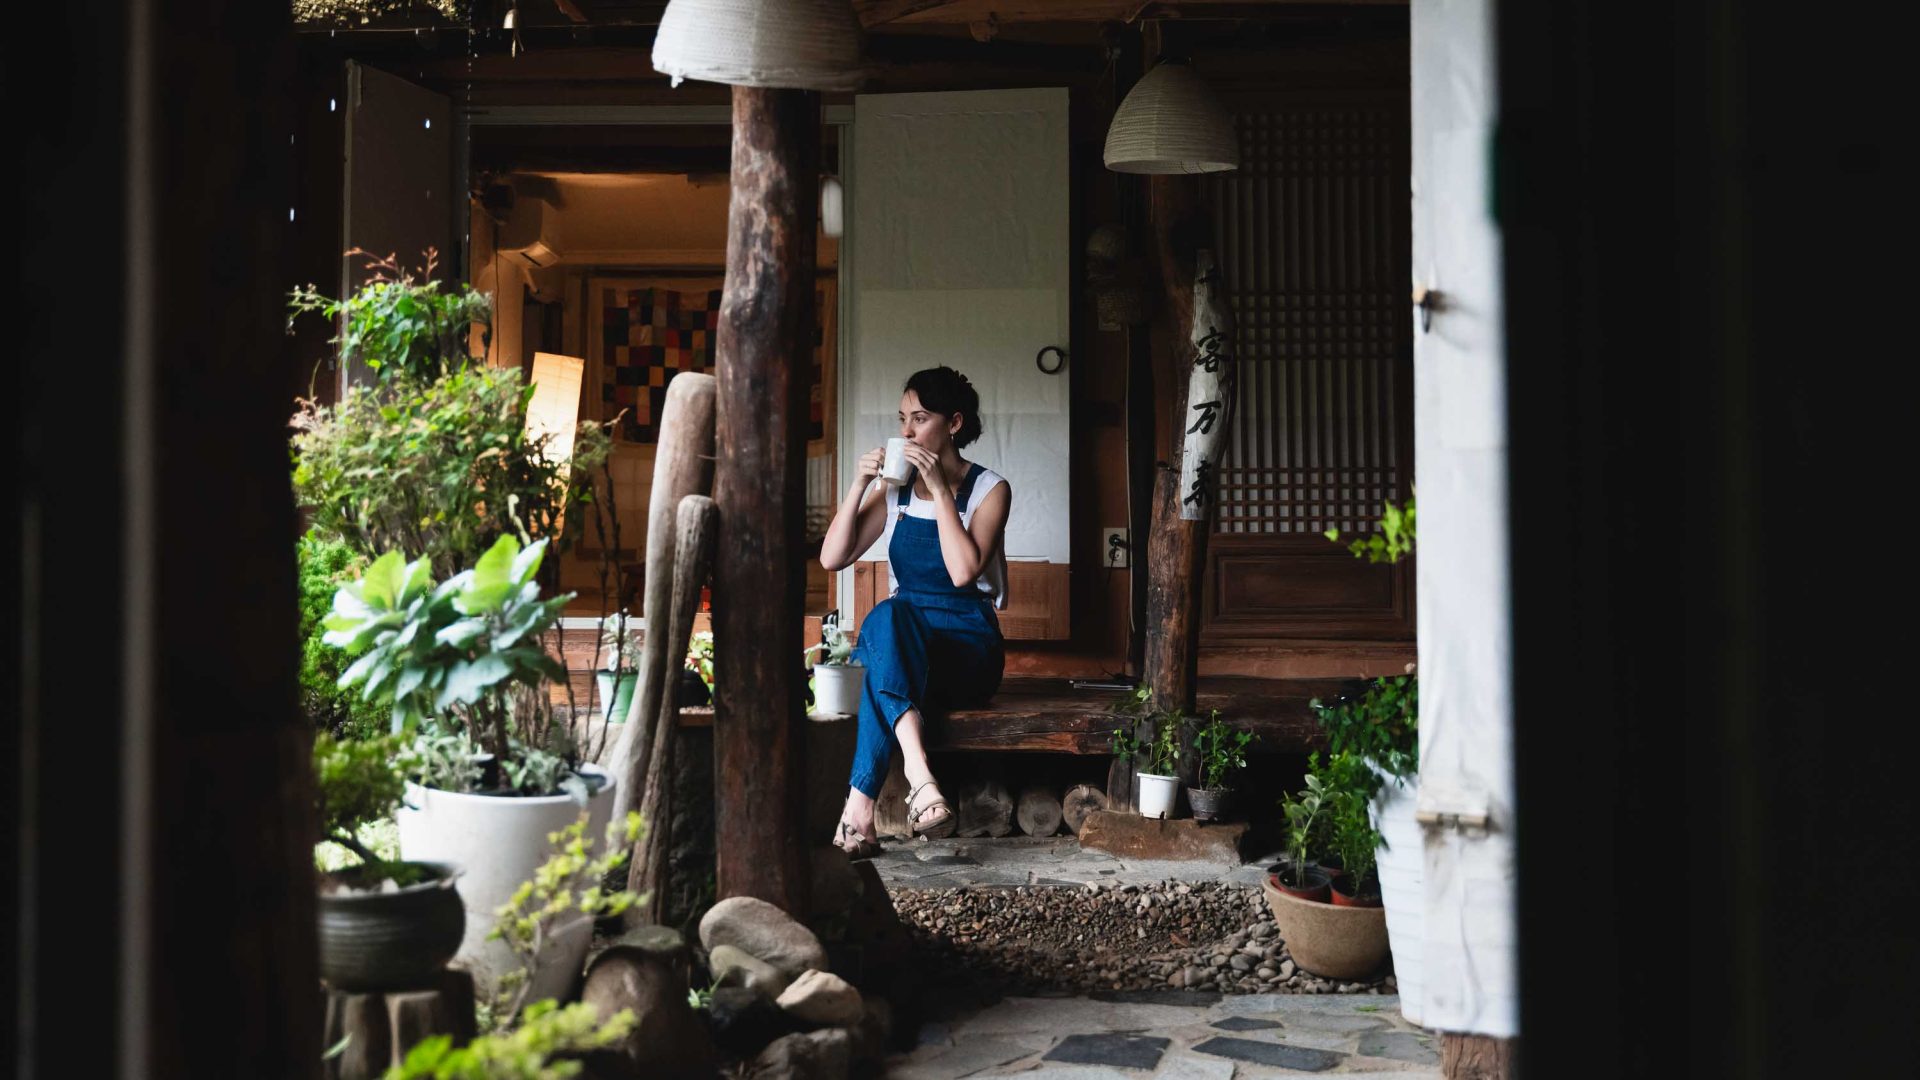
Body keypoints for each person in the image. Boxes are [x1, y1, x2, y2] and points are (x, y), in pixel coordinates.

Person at [817, 366, 1012, 858]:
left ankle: (861, 809)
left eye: (920, 419)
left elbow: (964, 571)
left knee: (882, 655)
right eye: (902, 419)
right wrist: (859, 485)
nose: (906, 432)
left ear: (953, 423)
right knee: (886, 617)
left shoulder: (990, 490)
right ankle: (916, 780)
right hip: (908, 642)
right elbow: (832, 558)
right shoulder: (896, 490)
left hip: (967, 645)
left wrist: (942, 491)